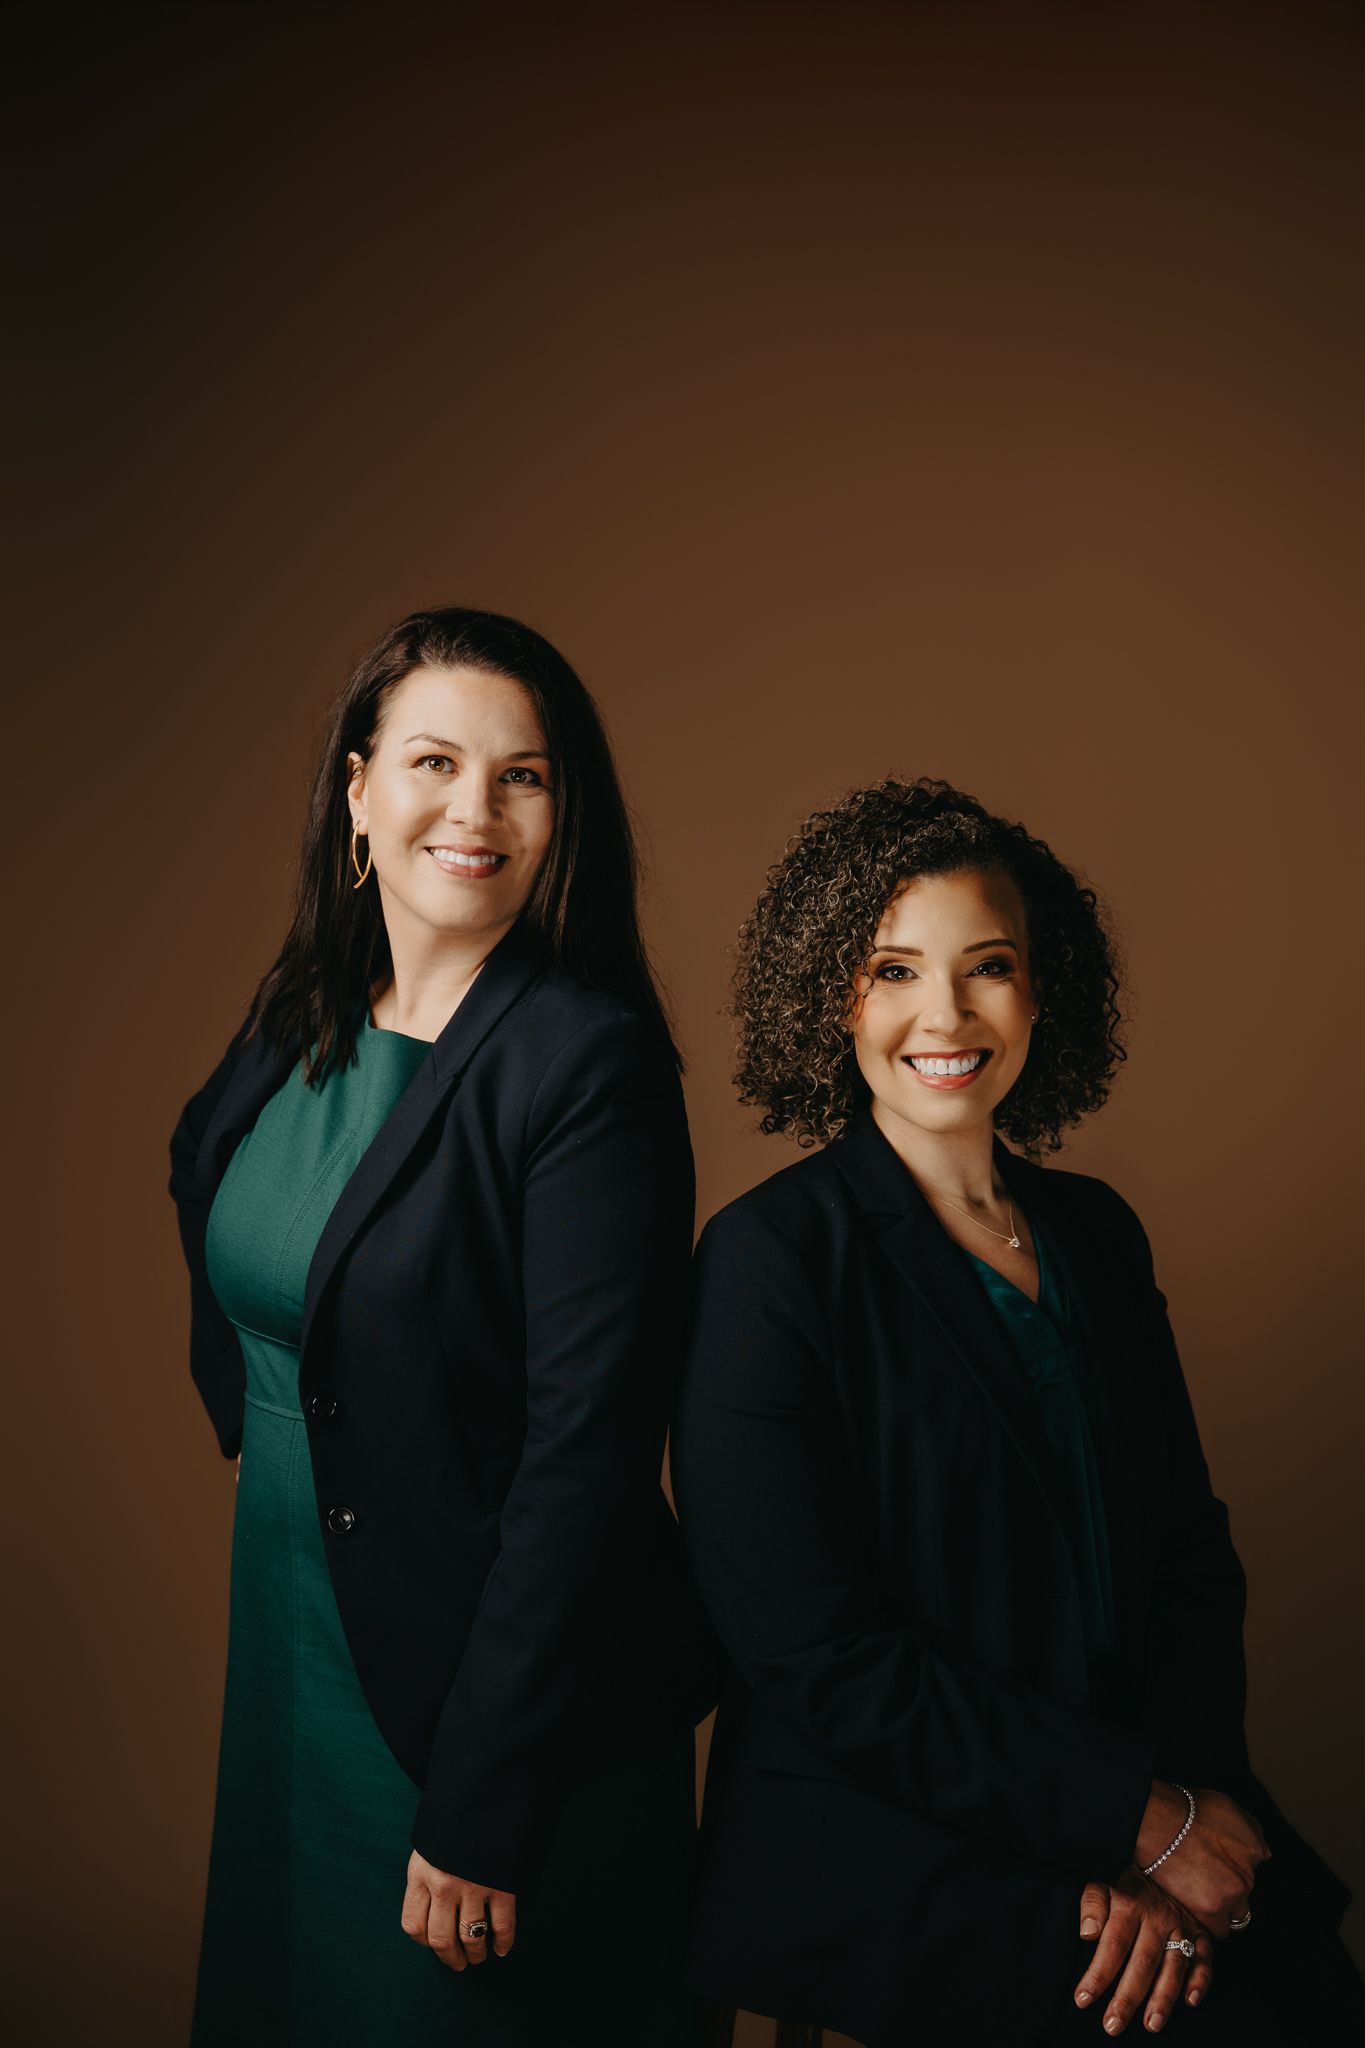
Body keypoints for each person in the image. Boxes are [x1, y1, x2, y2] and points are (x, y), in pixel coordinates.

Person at [672, 777, 1363, 2047]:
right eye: (894, 970)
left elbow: (1188, 1559)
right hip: (894, 1831)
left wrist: (1179, 1810)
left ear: (1044, 991)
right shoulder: (770, 1259)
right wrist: (1131, 1820)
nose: (945, 1014)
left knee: (1320, 2000)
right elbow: (820, 1659)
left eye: (987, 967)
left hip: (1133, 1792)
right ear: (834, 997)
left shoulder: (1096, 1231)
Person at [169, 605, 712, 2047]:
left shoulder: (585, 1065)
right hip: (296, 1642)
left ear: (560, 813)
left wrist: (486, 1801)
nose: (475, 809)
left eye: (521, 775)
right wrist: (262, 1411)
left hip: (488, 1703)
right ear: (358, 791)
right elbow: (205, 1173)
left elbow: (589, 1462)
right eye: (433, 762)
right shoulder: (308, 1006)